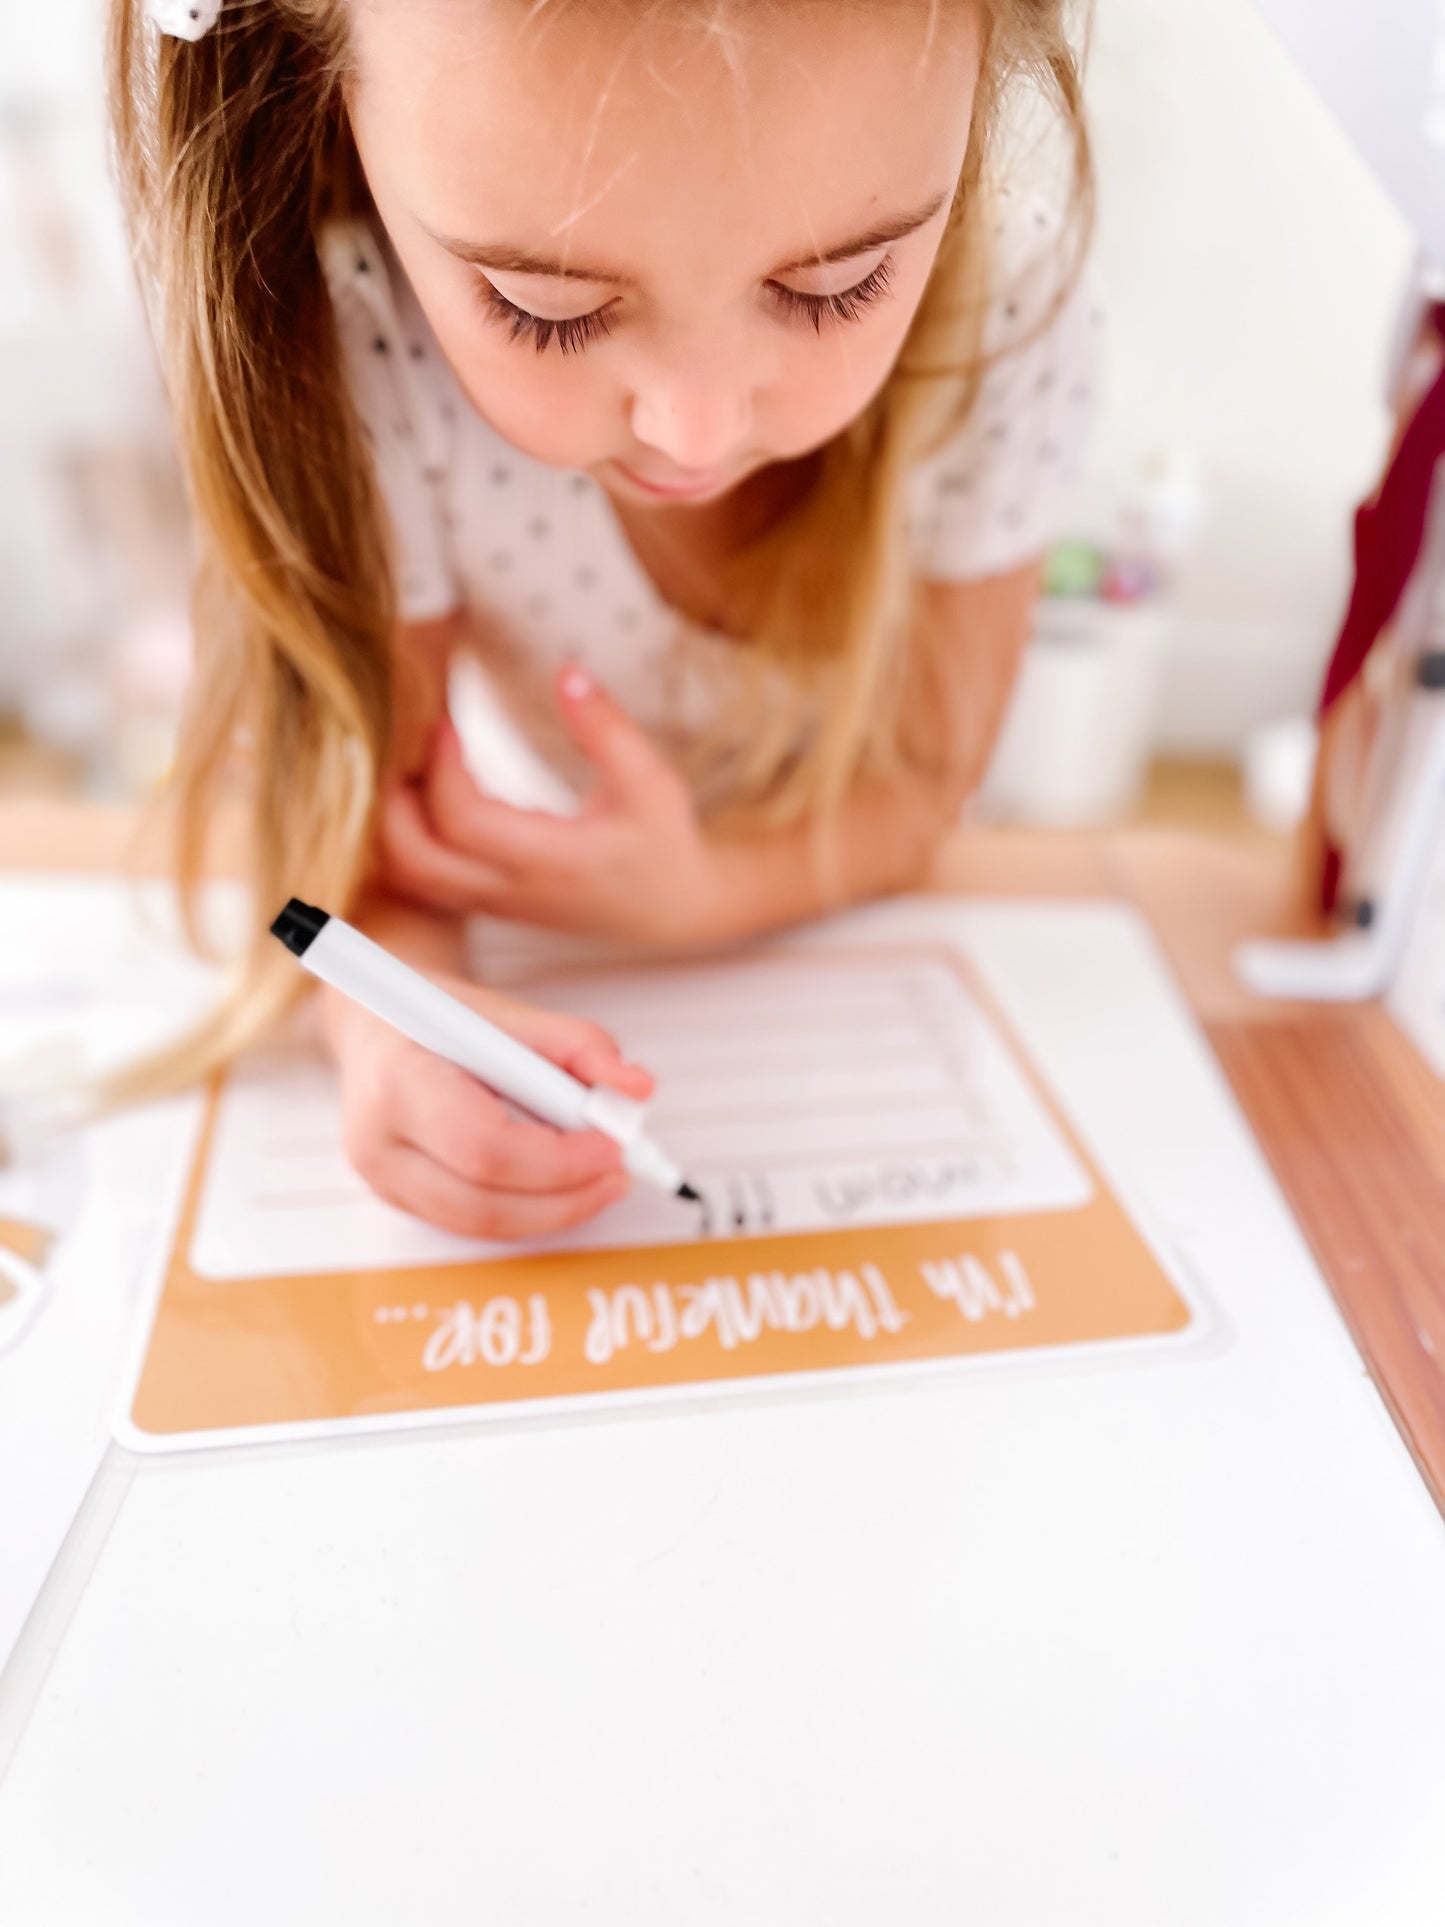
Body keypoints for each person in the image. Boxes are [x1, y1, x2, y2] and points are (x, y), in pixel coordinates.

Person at [110, 0, 1101, 1239]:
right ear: (327, 102)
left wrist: (703, 895)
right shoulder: (358, 335)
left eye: (837, 286)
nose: (694, 431)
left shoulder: (1008, 304)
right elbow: (365, 862)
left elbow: (926, 778)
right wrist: (392, 1028)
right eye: (547, 309)